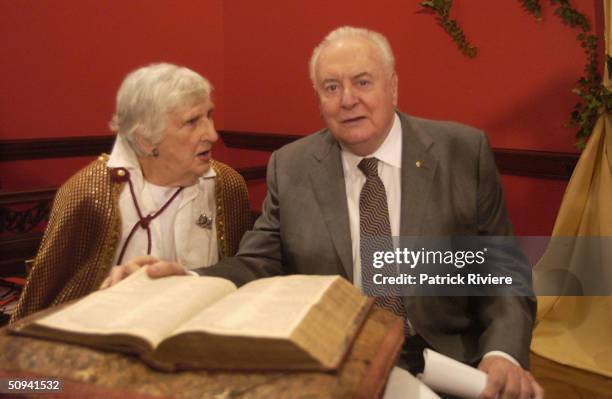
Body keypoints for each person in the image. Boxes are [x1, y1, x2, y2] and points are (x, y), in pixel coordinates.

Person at [106, 29, 543, 399]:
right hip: (332, 362)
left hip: (448, 360)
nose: (347, 99)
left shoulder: (462, 153)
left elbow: (501, 270)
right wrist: (190, 278)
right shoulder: (291, 165)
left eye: (363, 82)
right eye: (331, 87)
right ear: (318, 98)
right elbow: (258, 262)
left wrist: (501, 352)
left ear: (393, 86)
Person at [11, 63, 252, 322]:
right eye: (192, 121)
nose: (213, 134)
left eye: (210, 115)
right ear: (145, 139)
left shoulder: (227, 184)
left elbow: (240, 278)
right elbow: (50, 298)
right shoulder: (90, 192)